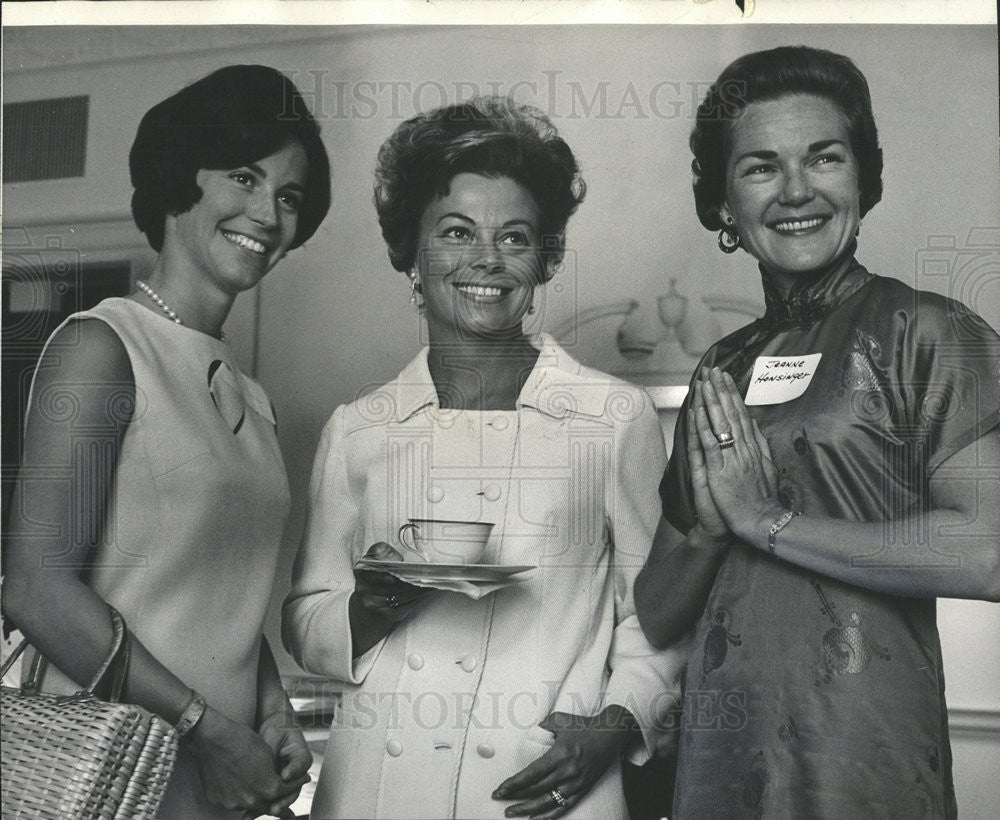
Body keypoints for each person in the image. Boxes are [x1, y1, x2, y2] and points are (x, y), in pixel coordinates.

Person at [282, 97, 685, 819]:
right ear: (411, 249)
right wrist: (371, 608)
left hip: (545, 784)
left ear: (547, 256)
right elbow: (307, 618)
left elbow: (660, 615)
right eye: (457, 232)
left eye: (515, 237)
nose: (486, 261)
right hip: (377, 788)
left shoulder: (611, 417)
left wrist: (614, 726)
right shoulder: (360, 427)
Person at [634, 45, 1000, 818]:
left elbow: (987, 551)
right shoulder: (722, 367)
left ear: (862, 179)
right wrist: (709, 526)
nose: (796, 190)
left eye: (823, 158)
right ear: (723, 204)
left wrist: (766, 522)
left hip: (862, 748)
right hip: (722, 748)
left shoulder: (928, 331)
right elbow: (660, 611)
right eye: (761, 167)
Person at [2, 65, 331, 818]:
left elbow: (223, 599)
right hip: (106, 774)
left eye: (289, 196)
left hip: (224, 773)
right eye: (243, 177)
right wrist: (209, 730)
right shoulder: (102, 347)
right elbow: (36, 589)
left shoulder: (253, 397)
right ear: (181, 178)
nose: (267, 213)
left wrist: (273, 714)